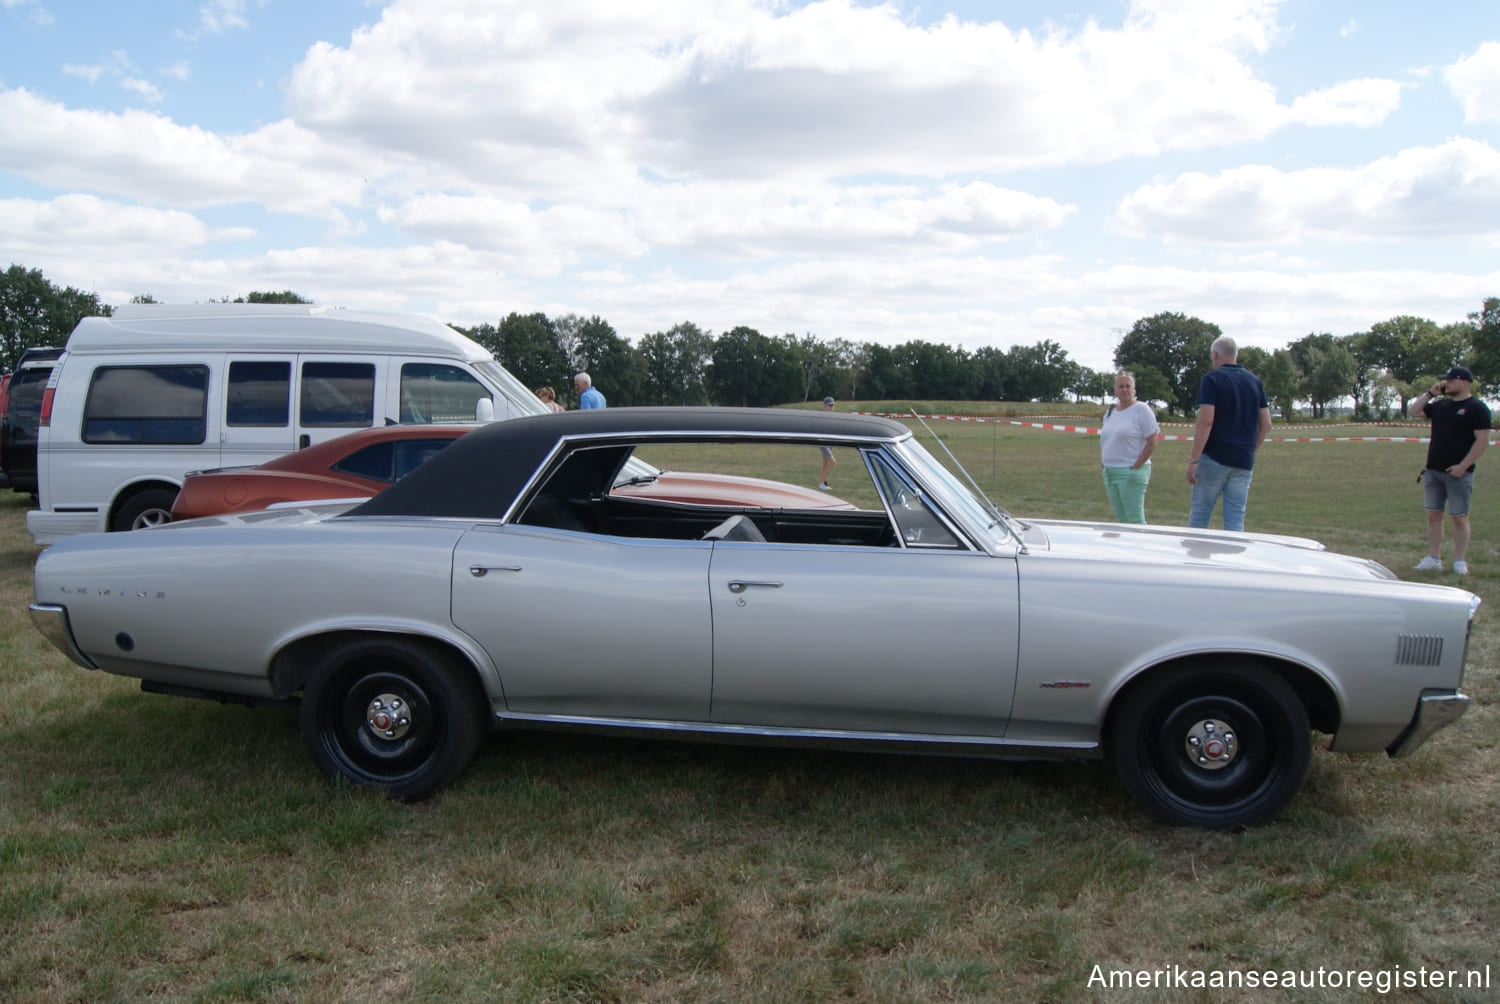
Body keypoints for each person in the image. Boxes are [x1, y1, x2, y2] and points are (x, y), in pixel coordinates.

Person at [1409, 365, 1491, 575]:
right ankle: (1433, 558)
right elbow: (1413, 411)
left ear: (1464, 382)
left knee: (1459, 517)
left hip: (1459, 473)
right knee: (1433, 515)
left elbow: (1482, 441)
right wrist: (1430, 393)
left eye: (1450, 380)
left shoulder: (1477, 408)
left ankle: (1459, 561)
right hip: (1434, 470)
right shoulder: (1441, 405)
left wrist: (1463, 466)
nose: (1446, 384)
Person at [1186, 336, 1271, 532]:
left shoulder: (1212, 379)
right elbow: (1266, 424)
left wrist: (1194, 460)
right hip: (1243, 461)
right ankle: (1235, 560)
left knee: (1200, 515)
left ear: (1215, 355)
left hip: (1215, 457)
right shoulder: (1254, 381)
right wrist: (1250, 449)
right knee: (1235, 519)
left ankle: (1195, 559)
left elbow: (1206, 420)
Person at [1100, 370, 1158, 523]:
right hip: (1110, 472)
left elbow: (1152, 440)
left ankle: (1142, 546)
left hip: (1130, 472)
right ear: (1115, 390)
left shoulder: (1142, 410)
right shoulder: (1111, 411)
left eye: (1128, 386)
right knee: (1122, 519)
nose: (1124, 389)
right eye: (1121, 386)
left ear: (1134, 389)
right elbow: (1107, 437)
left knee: (1135, 520)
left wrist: (1137, 465)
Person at [817, 396, 836, 489]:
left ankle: (822, 482)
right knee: (832, 462)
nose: (831, 407)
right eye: (829, 405)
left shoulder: (832, 417)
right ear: (824, 406)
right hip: (822, 442)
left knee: (825, 463)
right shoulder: (822, 416)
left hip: (828, 442)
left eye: (832, 405)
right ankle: (821, 484)